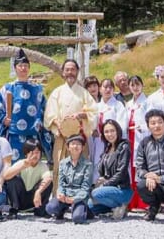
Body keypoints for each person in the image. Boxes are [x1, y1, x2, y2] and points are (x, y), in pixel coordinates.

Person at [44, 59, 97, 194]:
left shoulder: (84, 93)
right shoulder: (57, 92)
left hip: (79, 138)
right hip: (62, 137)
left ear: (77, 72)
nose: (70, 72)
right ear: (63, 72)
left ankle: (79, 199)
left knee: (81, 168)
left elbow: (93, 112)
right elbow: (49, 115)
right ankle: (59, 197)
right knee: (59, 168)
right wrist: (59, 124)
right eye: (67, 70)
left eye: (73, 69)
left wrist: (82, 115)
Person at [0, 49, 51, 162]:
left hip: (33, 134)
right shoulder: (7, 88)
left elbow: (45, 109)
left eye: (26, 65)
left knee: (32, 164)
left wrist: (41, 123)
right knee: (15, 165)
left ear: (29, 68)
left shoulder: (37, 89)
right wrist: (4, 119)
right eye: (20, 65)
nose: (23, 68)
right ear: (15, 68)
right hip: (14, 134)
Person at [88, 119, 133, 219]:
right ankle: (113, 209)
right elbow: (103, 171)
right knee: (89, 206)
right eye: (106, 132)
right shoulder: (107, 148)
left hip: (122, 189)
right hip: (109, 189)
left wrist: (105, 183)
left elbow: (121, 172)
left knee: (96, 193)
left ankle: (121, 206)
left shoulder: (124, 146)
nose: (110, 134)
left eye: (112, 131)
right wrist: (102, 179)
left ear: (118, 131)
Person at [45, 134, 92, 224]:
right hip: (65, 196)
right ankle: (62, 209)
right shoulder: (63, 163)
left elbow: (86, 187)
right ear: (68, 147)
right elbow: (61, 183)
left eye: (78, 144)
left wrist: (75, 199)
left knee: (78, 219)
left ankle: (86, 210)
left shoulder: (87, 165)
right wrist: (61, 194)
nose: (75, 146)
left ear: (82, 147)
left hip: (79, 197)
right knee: (50, 208)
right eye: (73, 143)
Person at [2, 138, 53, 218]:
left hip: (35, 200)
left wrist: (38, 191)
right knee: (12, 179)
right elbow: (6, 176)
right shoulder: (21, 162)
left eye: (37, 152)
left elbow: (48, 178)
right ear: (26, 154)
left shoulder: (43, 166)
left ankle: (40, 210)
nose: (35, 155)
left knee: (49, 183)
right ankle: (14, 209)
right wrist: (22, 166)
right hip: (20, 198)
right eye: (32, 152)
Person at [91, 79, 126, 180]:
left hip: (112, 140)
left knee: (112, 162)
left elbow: (121, 124)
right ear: (100, 89)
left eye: (110, 87)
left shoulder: (118, 105)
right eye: (105, 87)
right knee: (97, 161)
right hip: (98, 140)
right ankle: (96, 184)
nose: (107, 90)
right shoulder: (96, 106)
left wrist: (114, 137)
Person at [125, 75, 149, 211]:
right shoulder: (128, 104)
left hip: (141, 136)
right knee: (130, 168)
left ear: (142, 85)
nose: (135, 88)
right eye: (132, 85)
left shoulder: (147, 102)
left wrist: (140, 126)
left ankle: (143, 202)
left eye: (137, 84)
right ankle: (132, 202)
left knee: (141, 165)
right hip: (130, 136)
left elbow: (151, 120)